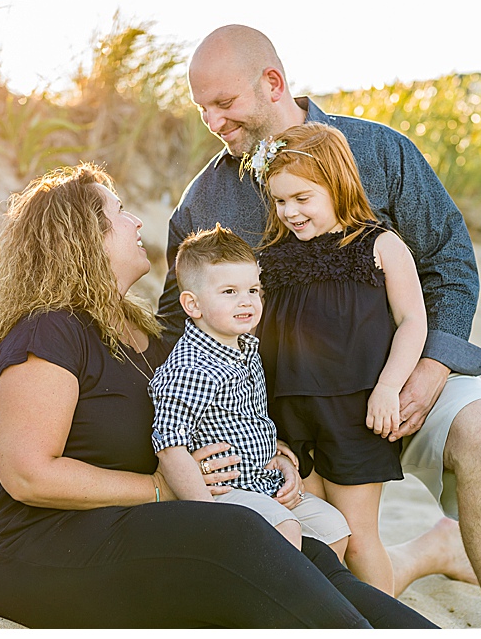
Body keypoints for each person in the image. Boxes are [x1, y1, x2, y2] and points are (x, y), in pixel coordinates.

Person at [160, 25, 481, 628]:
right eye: (202, 109)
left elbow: (450, 263)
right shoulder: (203, 203)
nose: (213, 121)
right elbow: (180, 318)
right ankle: (430, 553)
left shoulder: (378, 151)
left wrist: (429, 370)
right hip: (283, 407)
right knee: (342, 543)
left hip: (396, 374)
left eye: (224, 104)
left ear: (273, 83)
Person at [0, 163, 437, 628]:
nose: (136, 221)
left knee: (312, 552)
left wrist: (277, 458)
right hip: (35, 546)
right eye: (120, 211)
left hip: (138, 522)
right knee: (244, 536)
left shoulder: (154, 336)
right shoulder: (50, 332)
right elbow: (28, 475)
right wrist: (162, 489)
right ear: (85, 238)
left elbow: (219, 412)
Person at [259, 124, 429, 593]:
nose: (289, 212)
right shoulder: (272, 259)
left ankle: (384, 622)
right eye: (279, 201)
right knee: (315, 531)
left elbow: (413, 320)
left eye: (302, 198)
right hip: (290, 417)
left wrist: (390, 387)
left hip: (356, 413)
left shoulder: (379, 246)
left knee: (357, 538)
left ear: (336, 184)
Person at [149, 224, 353, 555]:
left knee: (333, 528)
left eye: (253, 290)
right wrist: (207, 512)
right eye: (229, 292)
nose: (246, 301)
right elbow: (170, 445)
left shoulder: (246, 350)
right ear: (192, 304)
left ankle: (312, 600)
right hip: (224, 493)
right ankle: (272, 602)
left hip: (261, 481)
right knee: (284, 529)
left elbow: (248, 419)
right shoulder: (192, 367)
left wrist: (276, 452)